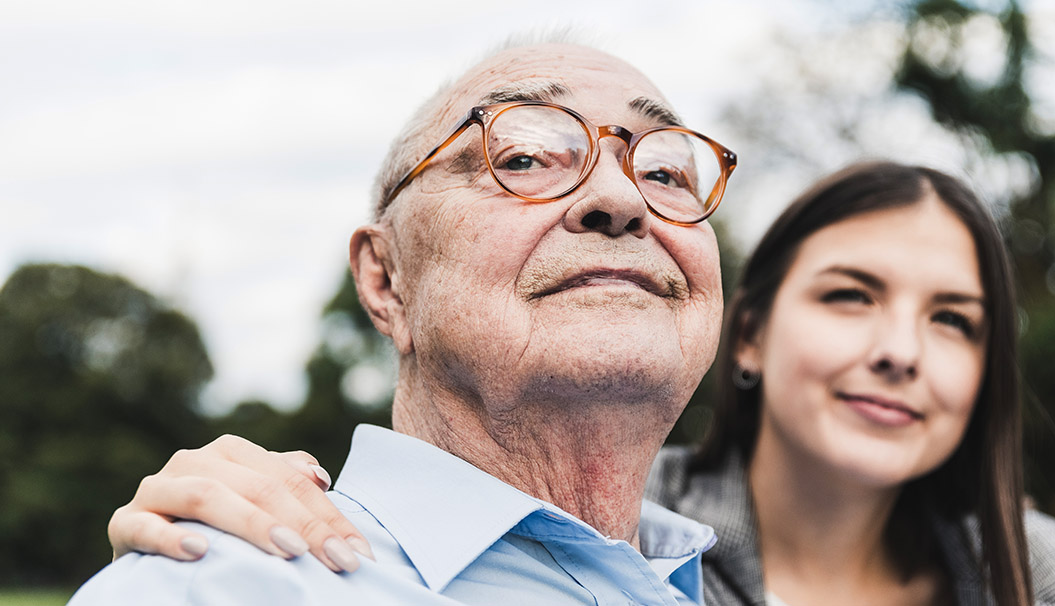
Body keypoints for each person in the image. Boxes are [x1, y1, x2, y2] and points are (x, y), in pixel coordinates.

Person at [105, 162, 1055, 605]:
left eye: (952, 321)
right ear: (744, 336)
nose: (900, 350)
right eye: (848, 297)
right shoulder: (603, 543)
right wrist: (219, 504)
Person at [68, 39, 739, 606]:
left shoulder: (729, 580)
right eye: (524, 157)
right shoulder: (213, 587)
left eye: (664, 170)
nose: (621, 199)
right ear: (386, 281)